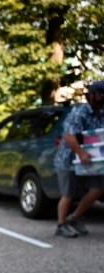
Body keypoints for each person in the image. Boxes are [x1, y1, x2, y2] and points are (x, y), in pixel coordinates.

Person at [53, 80, 104, 238]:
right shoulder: (79, 112)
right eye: (102, 94)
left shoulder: (101, 113)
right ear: (92, 95)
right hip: (68, 160)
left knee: (98, 188)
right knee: (68, 193)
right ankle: (61, 225)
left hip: (92, 160)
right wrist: (81, 152)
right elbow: (69, 135)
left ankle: (74, 218)